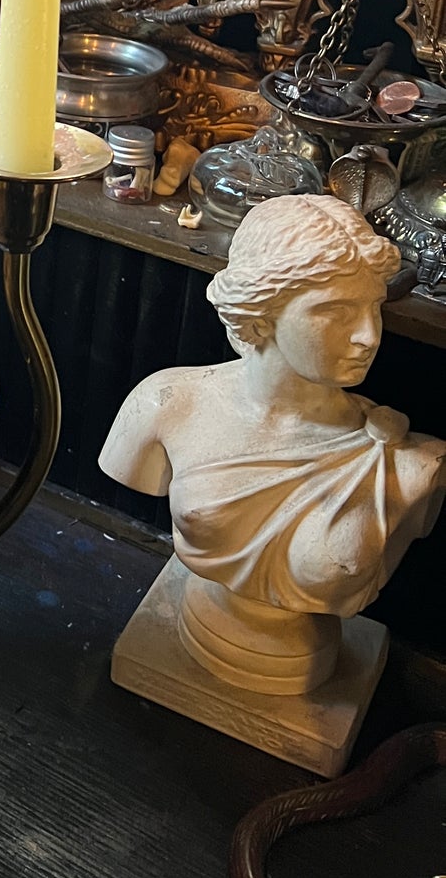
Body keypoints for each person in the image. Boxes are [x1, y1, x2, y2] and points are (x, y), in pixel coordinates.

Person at [100, 194, 446, 692]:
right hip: (196, 636)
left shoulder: (412, 463)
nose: (369, 335)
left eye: (373, 308)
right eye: (335, 311)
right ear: (261, 314)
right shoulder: (166, 405)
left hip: (312, 670)